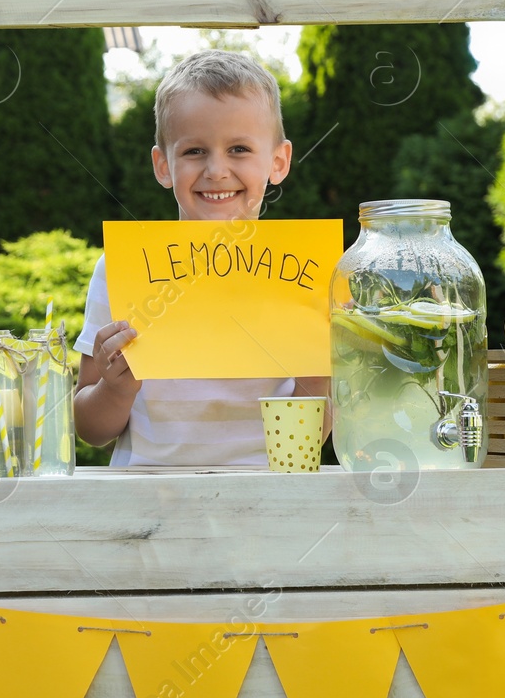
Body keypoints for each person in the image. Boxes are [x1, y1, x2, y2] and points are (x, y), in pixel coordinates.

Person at [73, 50, 331, 466]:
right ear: (163, 165)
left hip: (268, 501)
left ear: (278, 161)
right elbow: (90, 431)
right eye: (194, 151)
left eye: (240, 149)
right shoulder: (120, 271)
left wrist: (317, 372)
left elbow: (301, 450)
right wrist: (115, 389)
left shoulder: (308, 277)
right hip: (147, 506)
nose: (216, 170)